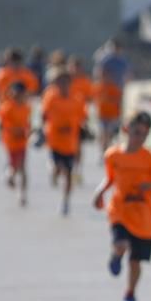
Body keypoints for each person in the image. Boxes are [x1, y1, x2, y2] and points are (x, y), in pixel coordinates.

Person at [92, 111, 151, 301]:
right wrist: (99, 193)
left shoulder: (150, 158)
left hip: (143, 217)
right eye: (136, 132)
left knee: (135, 262)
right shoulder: (113, 155)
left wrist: (150, 185)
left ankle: (130, 294)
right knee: (121, 243)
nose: (139, 137)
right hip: (120, 210)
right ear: (126, 129)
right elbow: (110, 179)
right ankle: (116, 254)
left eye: (144, 134)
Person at [40, 72, 84, 214]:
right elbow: (44, 115)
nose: (63, 86)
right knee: (58, 168)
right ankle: (53, 170)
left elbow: (83, 117)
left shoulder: (76, 99)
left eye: (66, 82)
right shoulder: (51, 97)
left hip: (70, 143)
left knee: (68, 174)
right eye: (60, 82)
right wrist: (41, 130)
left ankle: (65, 201)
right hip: (54, 140)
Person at [0, 82, 32, 203]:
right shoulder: (6, 107)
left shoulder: (26, 107)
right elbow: (4, 125)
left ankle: (22, 194)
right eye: (16, 94)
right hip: (10, 141)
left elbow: (28, 123)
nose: (18, 97)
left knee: (22, 167)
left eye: (21, 94)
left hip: (22, 142)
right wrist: (18, 130)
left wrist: (29, 131)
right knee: (14, 165)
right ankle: (9, 175)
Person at [91, 65, 123, 155]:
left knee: (109, 134)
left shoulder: (113, 87)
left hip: (112, 114)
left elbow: (118, 99)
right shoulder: (97, 87)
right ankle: (104, 151)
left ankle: (108, 150)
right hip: (101, 114)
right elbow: (93, 99)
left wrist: (109, 100)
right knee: (103, 134)